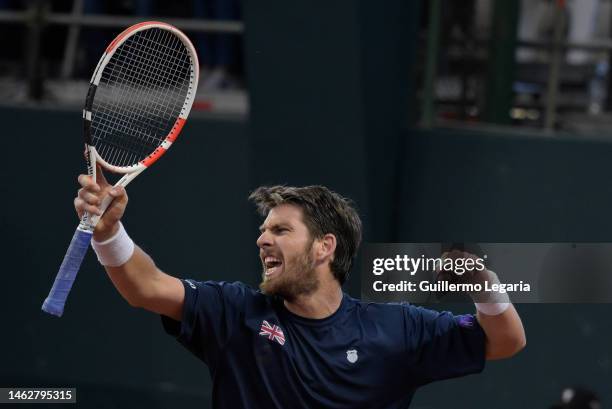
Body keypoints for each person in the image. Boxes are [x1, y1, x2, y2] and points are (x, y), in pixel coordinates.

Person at [75, 168, 526, 409]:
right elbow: (144, 286)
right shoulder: (235, 313)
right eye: (263, 230)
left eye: (281, 230)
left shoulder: (397, 329)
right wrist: (109, 232)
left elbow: (505, 341)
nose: (262, 239)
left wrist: (484, 286)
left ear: (324, 247)